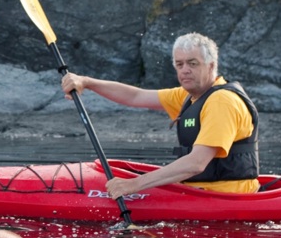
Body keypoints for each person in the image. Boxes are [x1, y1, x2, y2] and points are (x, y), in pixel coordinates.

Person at [61, 32, 260, 196]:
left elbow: (197, 163)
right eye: (179, 64)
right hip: (199, 191)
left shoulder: (221, 101)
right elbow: (136, 96)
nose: (185, 70)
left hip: (227, 197)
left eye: (193, 63)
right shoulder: (190, 95)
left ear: (210, 66)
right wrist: (87, 82)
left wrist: (133, 185)